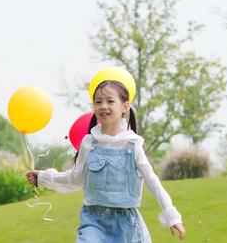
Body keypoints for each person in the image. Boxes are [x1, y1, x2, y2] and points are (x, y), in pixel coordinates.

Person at [26, 80, 185, 242]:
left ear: (124, 107)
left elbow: (153, 181)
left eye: (110, 101)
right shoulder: (88, 143)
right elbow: (74, 178)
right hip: (93, 221)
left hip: (126, 224)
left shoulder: (133, 144)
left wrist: (172, 217)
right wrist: (42, 176)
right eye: (98, 102)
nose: (103, 106)